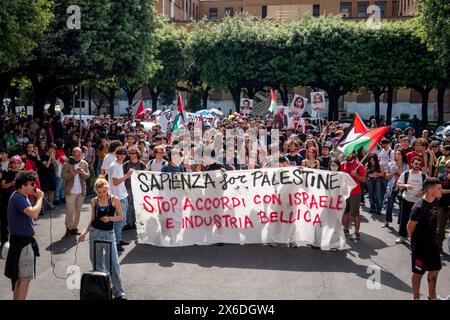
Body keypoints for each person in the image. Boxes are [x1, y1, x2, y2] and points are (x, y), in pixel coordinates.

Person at [78, 177, 127, 300]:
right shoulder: (94, 201)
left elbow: (121, 217)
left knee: (114, 264)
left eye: (104, 191)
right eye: (99, 192)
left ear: (107, 189)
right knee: (97, 264)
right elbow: (92, 219)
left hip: (109, 234)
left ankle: (119, 292)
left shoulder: (114, 200)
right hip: (95, 233)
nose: (102, 194)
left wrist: (110, 218)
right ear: (96, 191)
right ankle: (102, 289)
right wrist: (84, 232)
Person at [4, 171, 44, 300]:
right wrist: (40, 198)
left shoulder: (20, 196)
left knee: (19, 278)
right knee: (24, 279)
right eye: (32, 184)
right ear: (23, 185)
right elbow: (34, 213)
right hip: (22, 244)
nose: (34, 186)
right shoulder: (18, 197)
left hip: (21, 242)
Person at [407, 178, 443, 300]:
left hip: (433, 242)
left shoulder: (436, 200)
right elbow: (410, 226)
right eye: (439, 188)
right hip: (421, 244)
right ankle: (416, 298)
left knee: (435, 268)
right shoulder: (418, 207)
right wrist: (413, 240)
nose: (441, 190)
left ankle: (432, 296)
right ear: (430, 189)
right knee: (418, 273)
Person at [396, 156, 427, 244]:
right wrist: (406, 185)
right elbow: (398, 184)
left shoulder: (424, 175)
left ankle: (415, 237)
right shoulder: (405, 174)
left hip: (418, 202)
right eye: (416, 163)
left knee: (417, 221)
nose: (417, 165)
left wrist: (422, 192)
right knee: (404, 219)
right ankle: (402, 236)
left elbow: (427, 188)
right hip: (407, 200)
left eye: (419, 164)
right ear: (412, 164)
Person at [61, 147, 90, 238]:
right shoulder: (67, 164)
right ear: (72, 155)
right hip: (70, 191)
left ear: (81, 154)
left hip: (81, 191)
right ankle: (68, 228)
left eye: (79, 155)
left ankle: (74, 228)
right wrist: (74, 173)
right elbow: (63, 176)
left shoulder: (84, 163)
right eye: (75, 155)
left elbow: (88, 176)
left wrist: (82, 173)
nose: (77, 157)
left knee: (77, 211)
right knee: (70, 211)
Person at [109, 147, 132, 252]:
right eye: (120, 154)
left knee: (122, 220)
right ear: (116, 155)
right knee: (119, 220)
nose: (122, 156)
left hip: (123, 195)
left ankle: (119, 239)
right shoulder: (114, 166)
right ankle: (116, 242)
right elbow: (115, 182)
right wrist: (127, 175)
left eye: (124, 154)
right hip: (117, 197)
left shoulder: (119, 165)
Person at [341, 150, 366, 241]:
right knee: (345, 212)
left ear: (354, 154)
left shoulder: (360, 166)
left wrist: (356, 175)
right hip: (344, 193)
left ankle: (356, 232)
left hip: (355, 193)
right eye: (346, 153)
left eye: (349, 153)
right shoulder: (342, 164)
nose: (347, 154)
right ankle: (345, 230)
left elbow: (363, 180)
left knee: (355, 213)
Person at [0, 156, 22, 249]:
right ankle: (4, 242)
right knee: (5, 222)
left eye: (18, 163)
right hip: (7, 201)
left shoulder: (21, 174)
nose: (16, 165)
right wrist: (11, 183)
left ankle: (16, 241)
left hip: (19, 202)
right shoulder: (7, 173)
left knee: (18, 221)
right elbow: (2, 186)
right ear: (11, 164)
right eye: (14, 163)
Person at [122, 146, 145, 231]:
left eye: (134, 153)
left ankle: (136, 222)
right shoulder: (126, 164)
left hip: (138, 188)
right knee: (129, 205)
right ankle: (129, 223)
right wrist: (129, 177)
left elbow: (144, 177)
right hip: (128, 187)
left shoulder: (142, 164)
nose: (132, 155)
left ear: (137, 153)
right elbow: (123, 175)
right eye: (130, 153)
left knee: (137, 205)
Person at [384, 151, 409, 228]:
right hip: (392, 187)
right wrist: (393, 173)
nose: (397, 156)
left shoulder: (406, 165)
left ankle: (401, 223)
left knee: (402, 206)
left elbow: (406, 178)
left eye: (399, 154)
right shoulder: (390, 164)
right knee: (389, 204)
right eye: (396, 154)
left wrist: (400, 172)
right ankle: (387, 221)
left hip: (401, 187)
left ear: (402, 156)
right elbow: (387, 176)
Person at [437, 160, 450, 251]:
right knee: (440, 228)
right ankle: (438, 245)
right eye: (449, 167)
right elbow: (439, 191)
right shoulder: (441, 177)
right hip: (443, 206)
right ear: (445, 167)